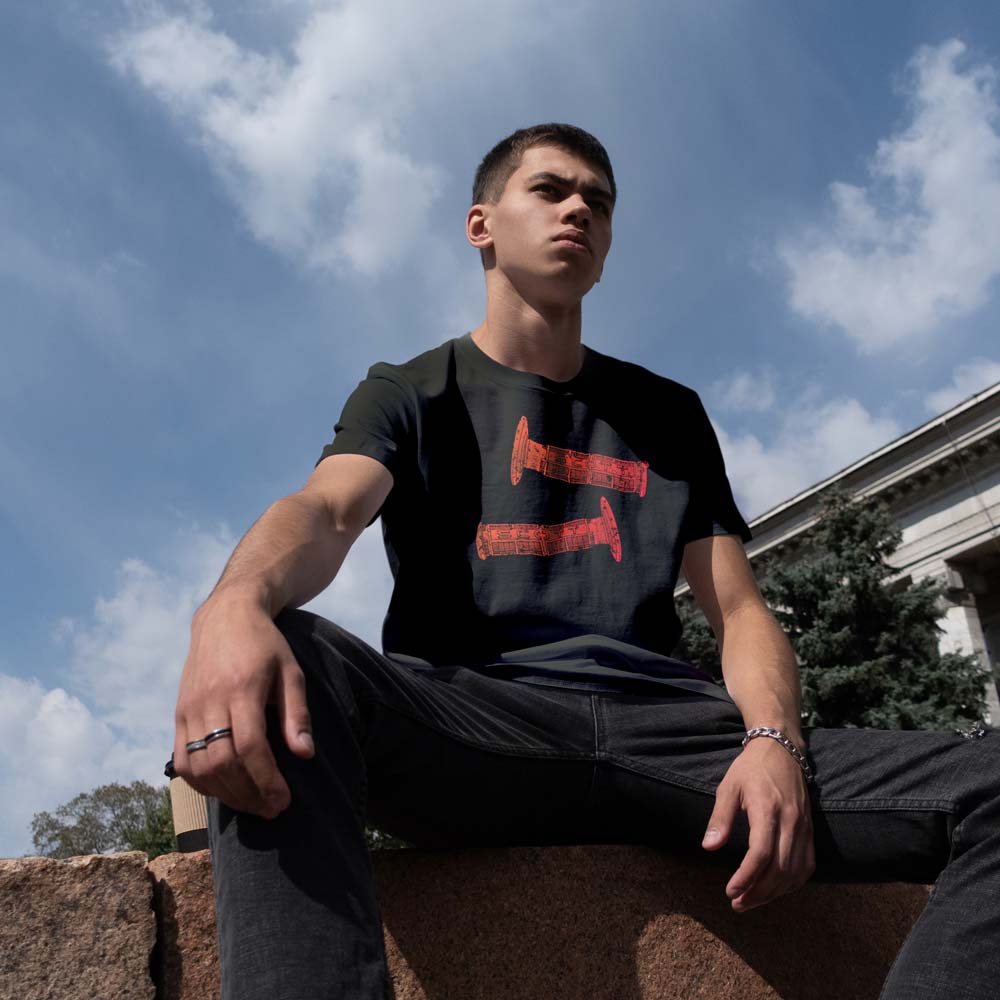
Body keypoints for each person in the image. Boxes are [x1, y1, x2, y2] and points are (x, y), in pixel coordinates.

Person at [173, 123, 1000, 1000]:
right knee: (285, 653)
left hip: (674, 738)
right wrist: (233, 604)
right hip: (483, 726)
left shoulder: (668, 413)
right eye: (551, 190)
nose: (579, 210)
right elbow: (327, 510)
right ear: (481, 225)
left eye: (598, 203)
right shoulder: (412, 389)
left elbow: (739, 611)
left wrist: (773, 741)